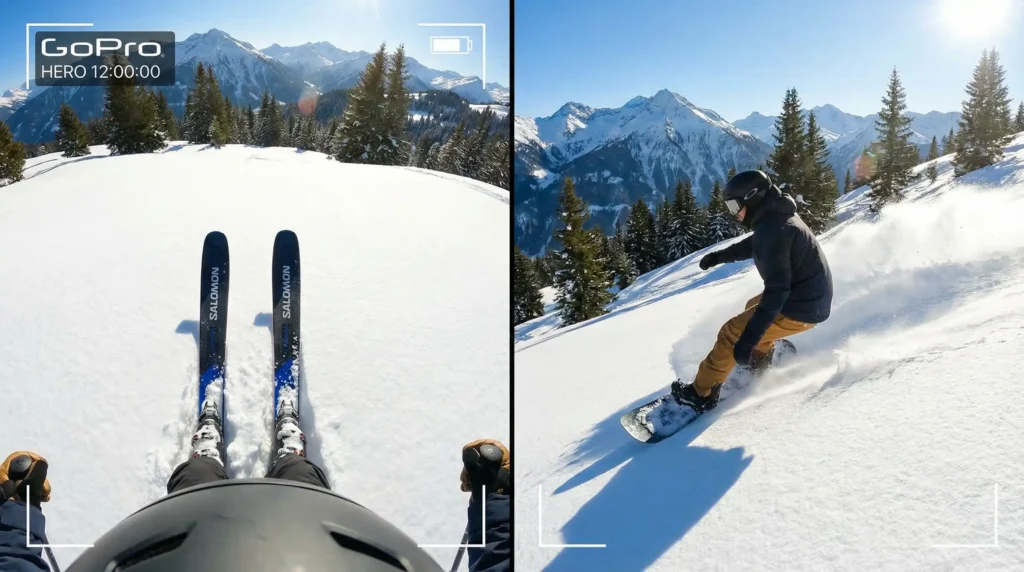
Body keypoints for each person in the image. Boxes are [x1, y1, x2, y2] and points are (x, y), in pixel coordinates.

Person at [0, 432, 511, 571]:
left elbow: (13, 564)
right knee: (300, 477)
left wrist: (17, 505)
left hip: (182, 530)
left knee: (198, 479)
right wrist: (494, 497)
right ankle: (290, 458)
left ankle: (207, 458)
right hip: (312, 522)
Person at [671, 169, 833, 412]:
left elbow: (777, 292)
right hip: (809, 298)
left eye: (735, 206)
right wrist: (719, 257)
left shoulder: (774, 230)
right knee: (751, 307)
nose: (734, 214)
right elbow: (756, 244)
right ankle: (761, 359)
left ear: (753, 198)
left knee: (731, 333)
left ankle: (700, 395)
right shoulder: (777, 217)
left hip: (802, 307)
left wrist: (748, 339)